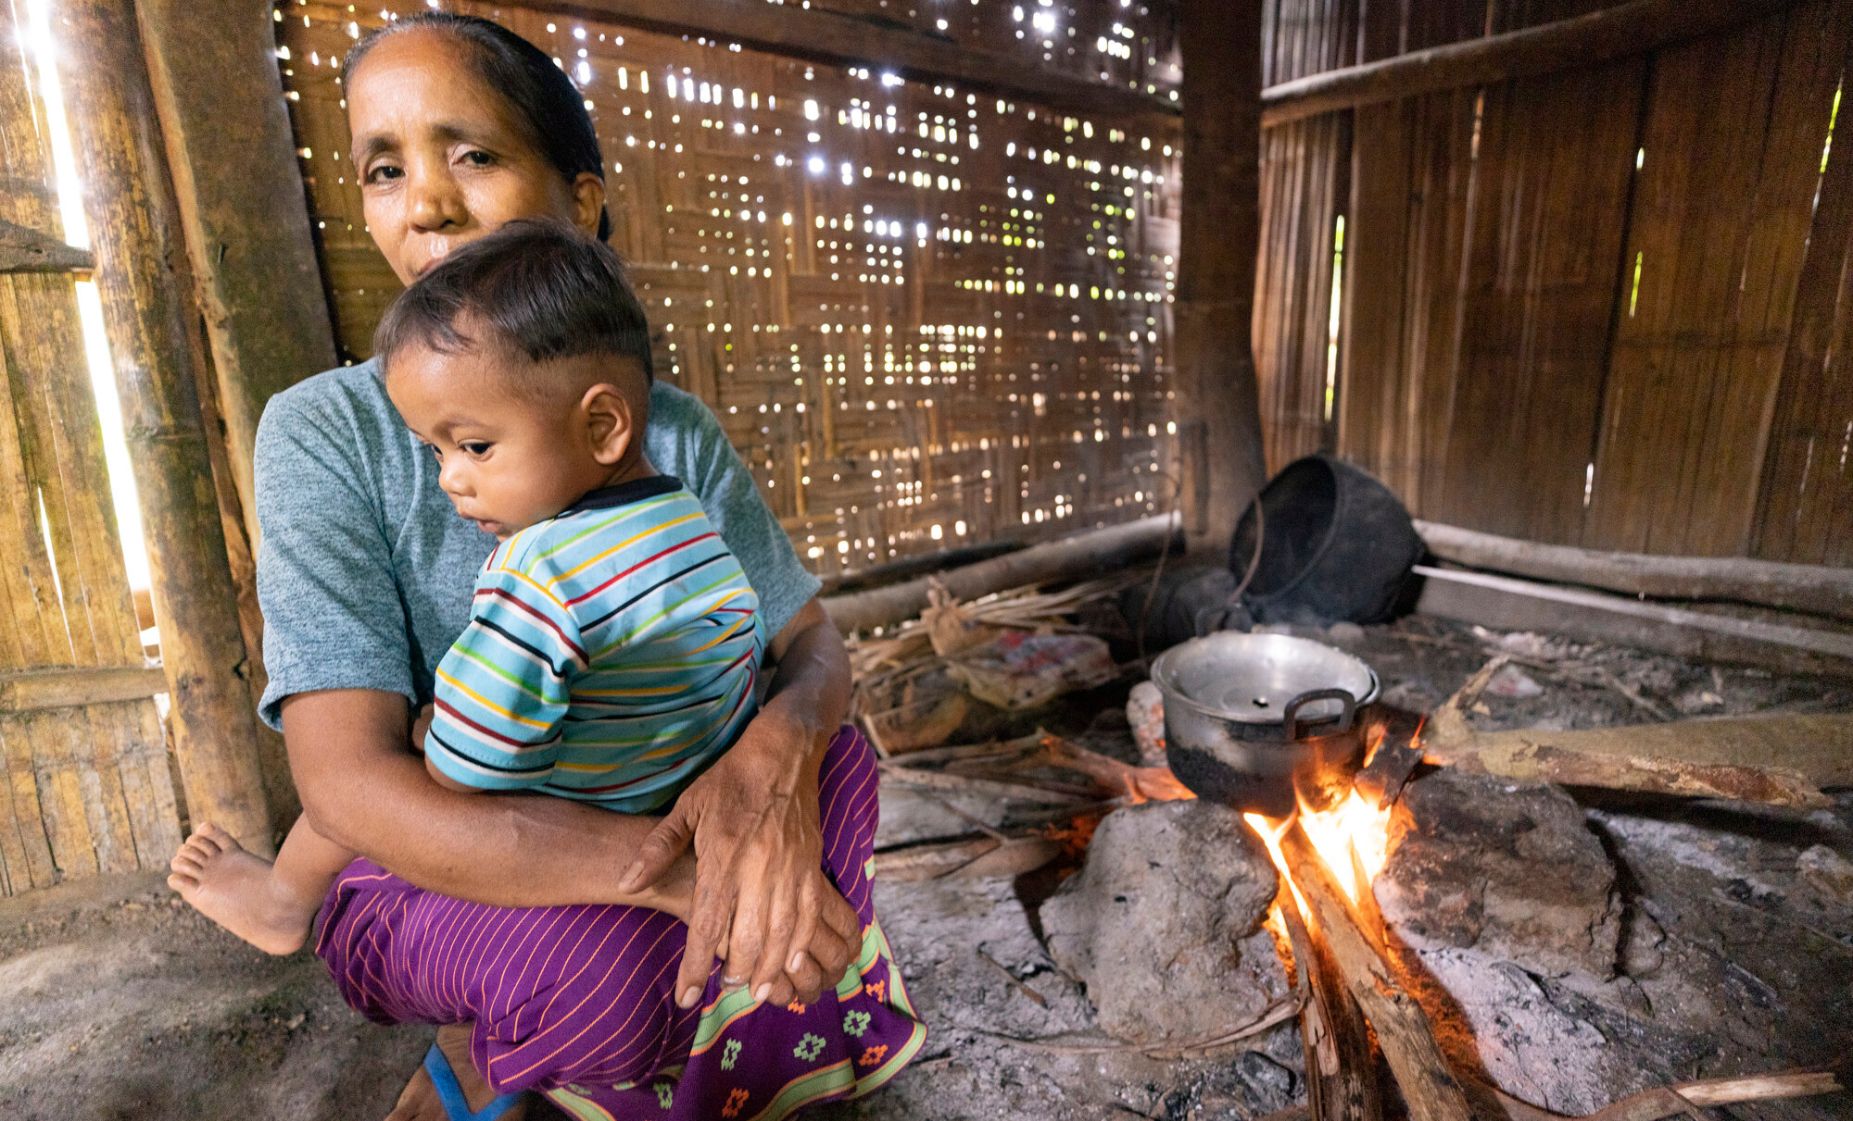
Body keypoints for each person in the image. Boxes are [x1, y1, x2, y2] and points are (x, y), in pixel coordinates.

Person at [172, 13, 912, 1120]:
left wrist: (775, 754)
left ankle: (647, 989)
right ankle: (458, 1040)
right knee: (622, 982)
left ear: (582, 203)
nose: (423, 200)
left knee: (841, 766)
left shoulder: (668, 428)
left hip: (635, 790)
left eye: (470, 153)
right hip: (443, 839)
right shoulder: (325, 432)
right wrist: (681, 872)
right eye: (385, 168)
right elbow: (347, 784)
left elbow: (808, 641)